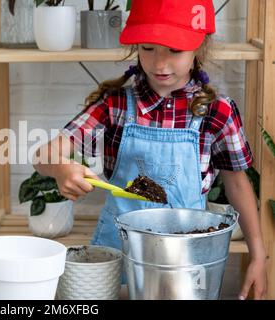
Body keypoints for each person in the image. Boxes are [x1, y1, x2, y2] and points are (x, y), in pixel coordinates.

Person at [32, 0, 267, 299]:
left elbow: (237, 184)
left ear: (200, 47)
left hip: (185, 264)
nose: (160, 63)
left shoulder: (217, 112)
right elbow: (43, 154)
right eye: (148, 48)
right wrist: (60, 168)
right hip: (116, 261)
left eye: (175, 50)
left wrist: (259, 256)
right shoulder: (115, 105)